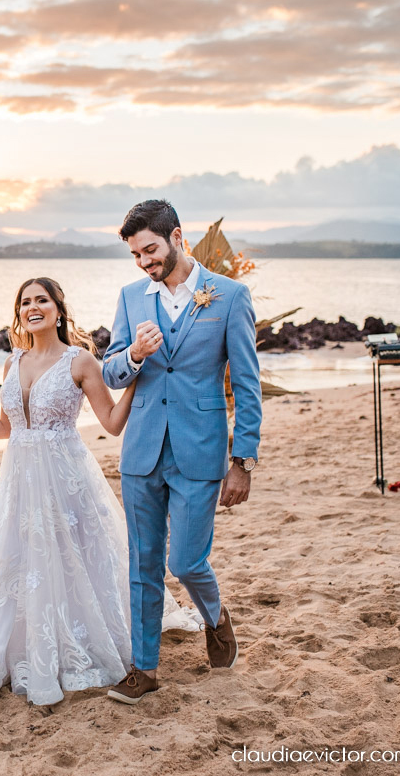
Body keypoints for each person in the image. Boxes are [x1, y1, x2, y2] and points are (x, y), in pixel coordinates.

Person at [0, 278, 198, 706]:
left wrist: (138, 375)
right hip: (19, 478)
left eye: (41, 300)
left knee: (76, 555)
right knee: (16, 559)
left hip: (65, 477)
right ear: (18, 312)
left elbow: (111, 423)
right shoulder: (12, 362)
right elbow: (6, 427)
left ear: (58, 309)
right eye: (25, 302)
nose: (32, 307)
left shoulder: (80, 362)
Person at [102, 199, 262, 705]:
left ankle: (214, 617)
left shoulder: (230, 296)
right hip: (142, 451)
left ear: (176, 237)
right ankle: (144, 669)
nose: (145, 262)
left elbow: (248, 383)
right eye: (135, 255)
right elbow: (109, 371)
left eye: (150, 249)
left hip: (201, 449)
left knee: (187, 561)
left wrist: (243, 461)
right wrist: (133, 355)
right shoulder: (131, 297)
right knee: (143, 563)